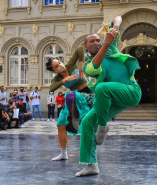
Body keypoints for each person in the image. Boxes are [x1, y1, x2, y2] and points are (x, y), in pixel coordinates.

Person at [75, 16, 141, 177]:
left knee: (102, 87)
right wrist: (106, 42)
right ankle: (91, 165)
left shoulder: (111, 48)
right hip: (112, 97)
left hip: (131, 91)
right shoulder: (88, 65)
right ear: (86, 46)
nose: (96, 42)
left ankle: (103, 126)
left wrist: (116, 23)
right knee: (87, 122)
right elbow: (95, 67)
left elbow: (117, 20)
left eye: (98, 39)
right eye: (92, 41)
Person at [46, 45, 94, 161]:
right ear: (54, 71)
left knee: (89, 124)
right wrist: (65, 80)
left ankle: (76, 120)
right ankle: (63, 153)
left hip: (87, 95)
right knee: (60, 124)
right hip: (74, 99)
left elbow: (80, 49)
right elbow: (51, 88)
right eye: (57, 66)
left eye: (60, 62)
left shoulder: (71, 65)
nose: (61, 65)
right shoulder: (57, 78)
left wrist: (81, 64)